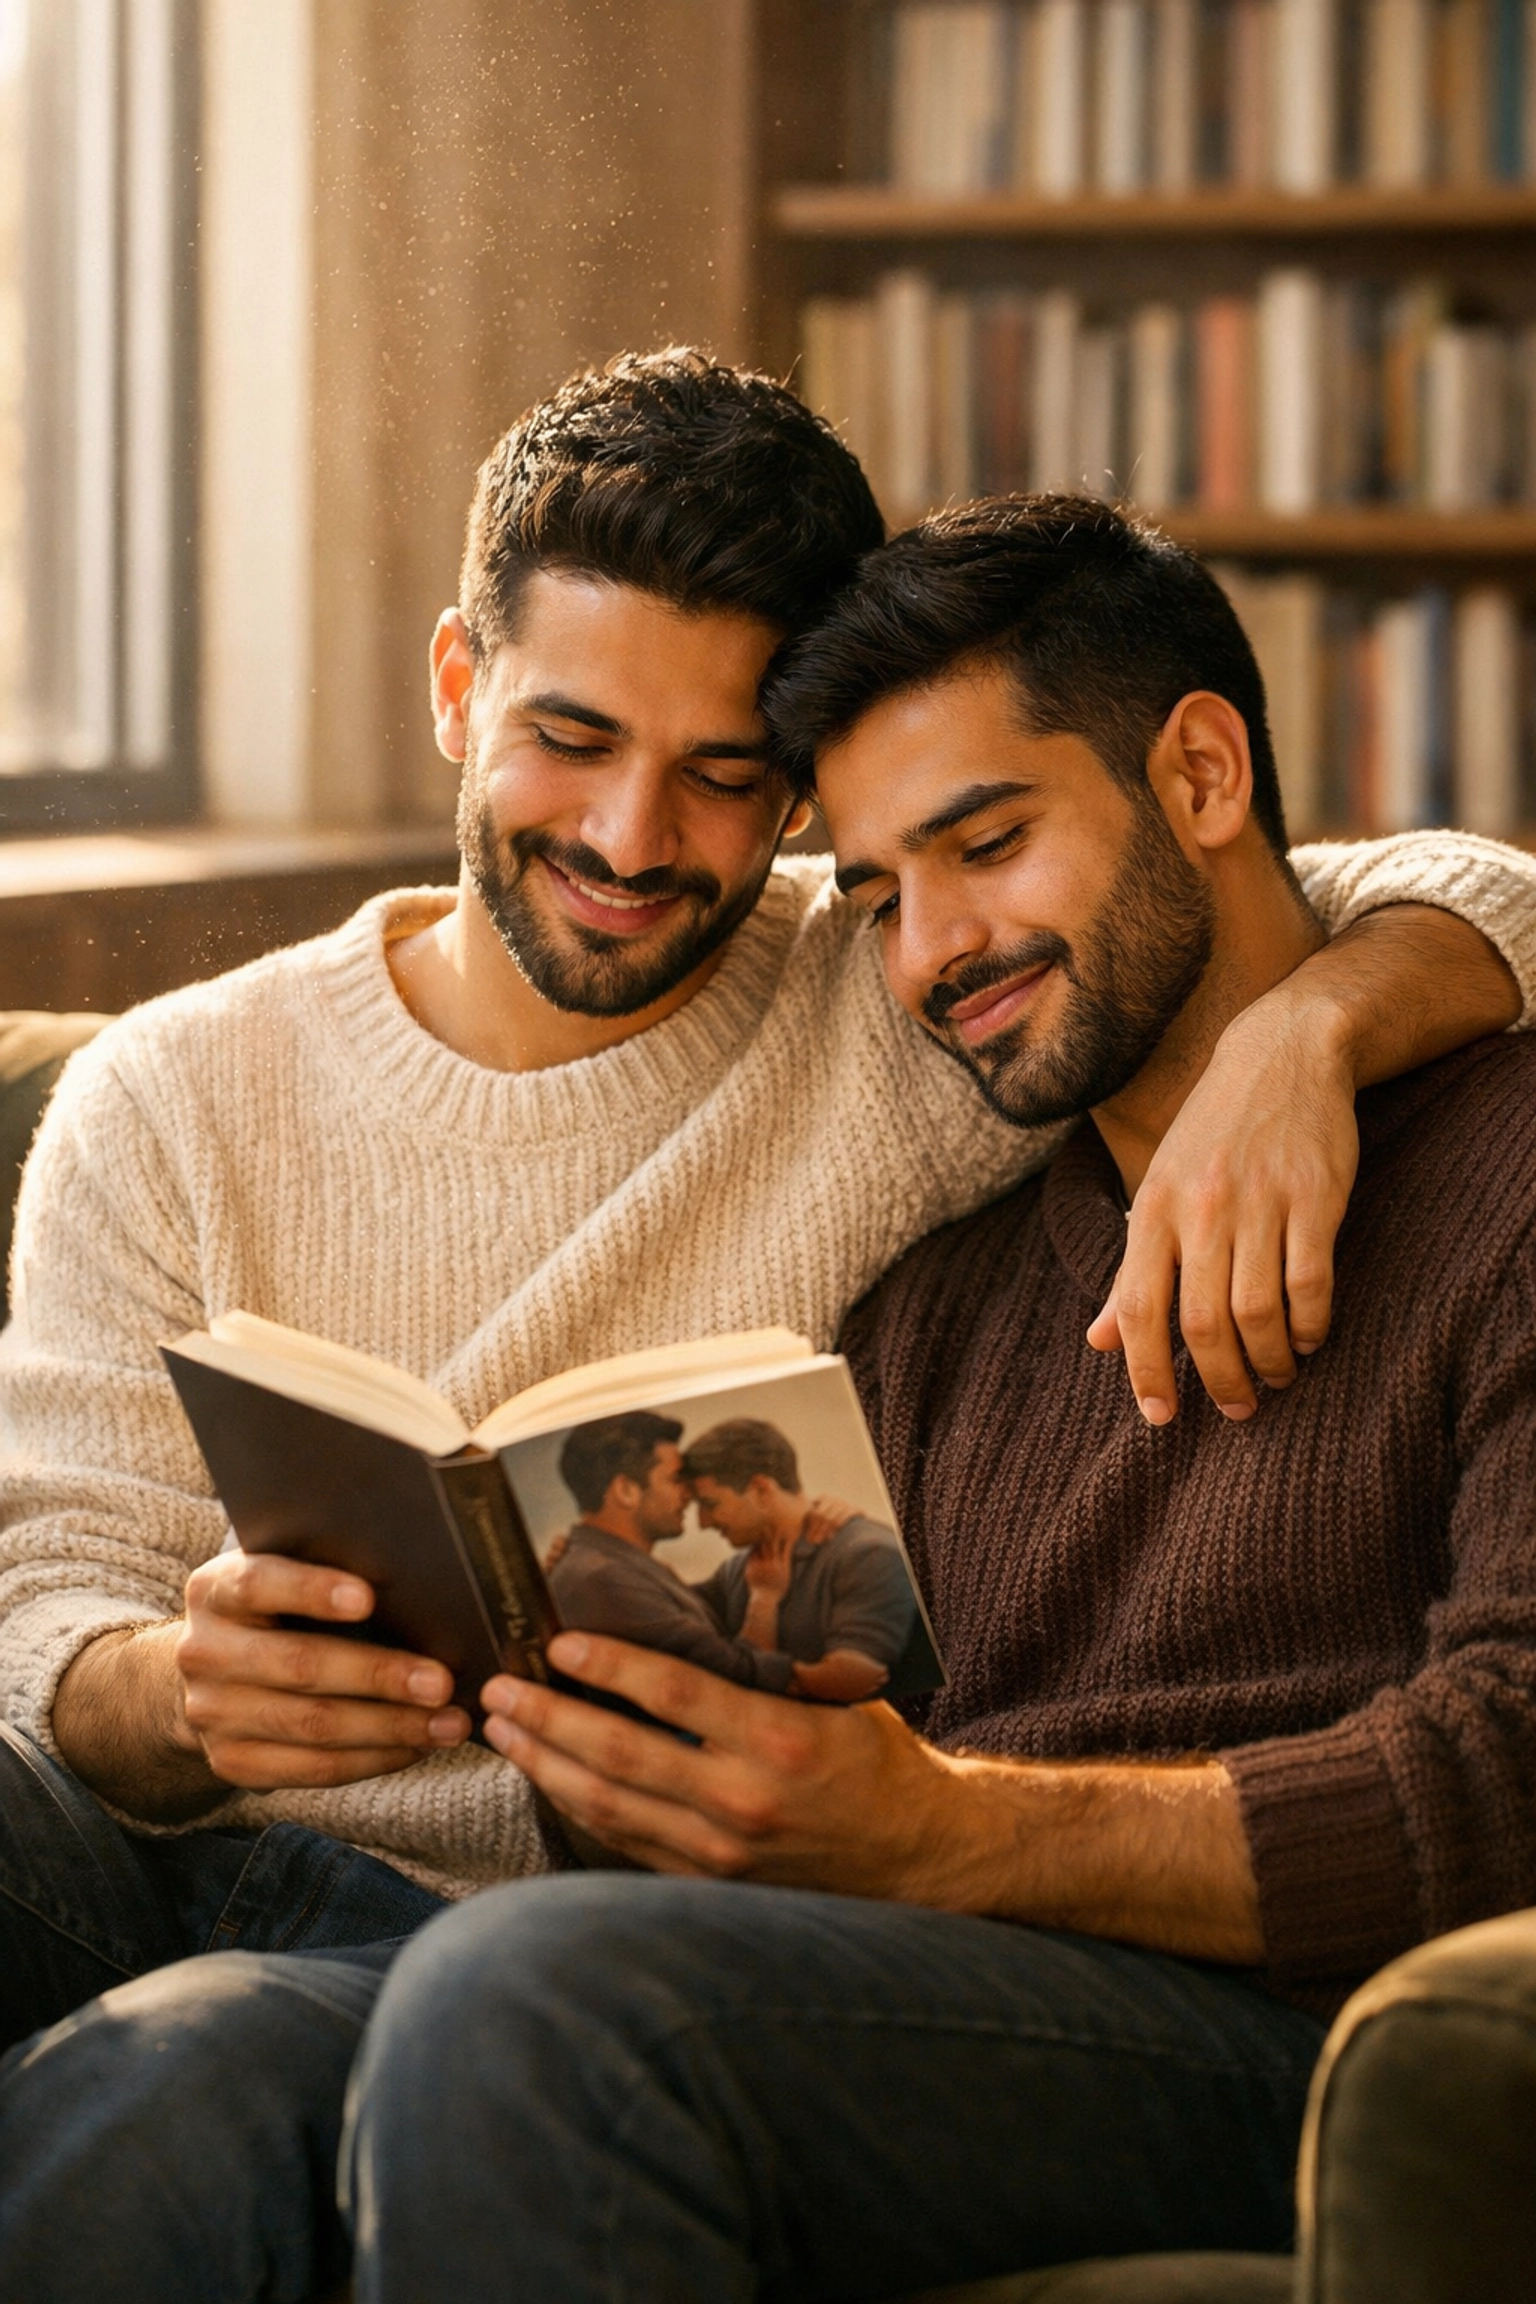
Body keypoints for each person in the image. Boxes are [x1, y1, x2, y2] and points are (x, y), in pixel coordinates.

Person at [0, 349, 1532, 2295]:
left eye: (730, 779)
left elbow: (1416, 892)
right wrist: (207, 1692)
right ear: (461, 685)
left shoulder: (926, 1042)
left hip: (1028, 1985)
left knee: (352, 2050)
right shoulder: (938, 1256)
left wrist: (1316, 1029)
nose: (932, 950)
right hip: (308, 1861)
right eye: (887, 886)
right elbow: (50, 1609)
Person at [544, 1411, 800, 1688]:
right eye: (676, 1479)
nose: (689, 1494)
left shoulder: (617, 1564)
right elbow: (739, 1681)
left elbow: (712, 1601)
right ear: (626, 1490)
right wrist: (764, 1599)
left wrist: (809, 1516)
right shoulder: (601, 1579)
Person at [683, 1415, 921, 1700]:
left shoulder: (868, 1555)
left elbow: (852, 1677)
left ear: (761, 1489)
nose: (703, 1523)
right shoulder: (735, 1570)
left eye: (710, 1504)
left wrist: (747, 1671)